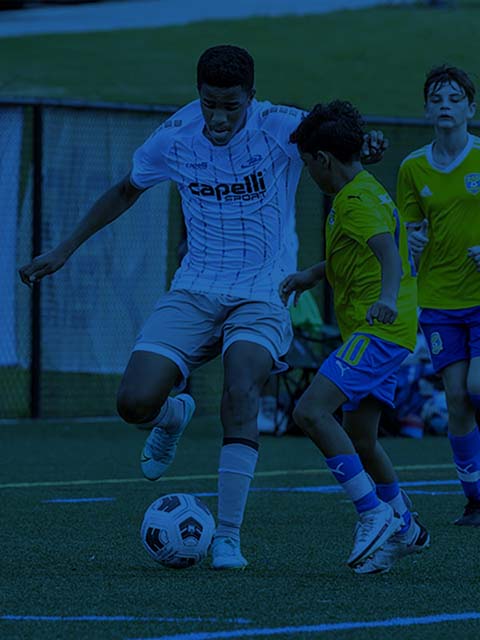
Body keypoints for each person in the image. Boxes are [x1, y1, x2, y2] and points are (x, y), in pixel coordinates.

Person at [18, 45, 385, 570]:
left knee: (241, 389)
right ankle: (173, 416)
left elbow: (337, 140)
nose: (218, 117)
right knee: (134, 402)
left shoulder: (282, 127)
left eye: (231, 106)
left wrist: (367, 143)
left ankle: (228, 538)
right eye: (210, 103)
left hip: (263, 288)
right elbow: (125, 190)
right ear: (199, 95)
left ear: (251, 97)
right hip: (195, 287)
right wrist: (63, 250)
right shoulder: (176, 135)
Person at [280, 100, 430, 574]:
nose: (308, 173)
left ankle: (372, 513)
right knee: (361, 438)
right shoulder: (364, 190)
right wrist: (312, 275)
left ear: (323, 159)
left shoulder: (355, 201)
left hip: (378, 331)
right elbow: (355, 252)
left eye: (307, 164)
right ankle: (406, 524)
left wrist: (386, 298)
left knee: (309, 411)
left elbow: (388, 254)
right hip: (387, 330)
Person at [397, 65, 480, 526]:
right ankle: (475, 498)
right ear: (427, 109)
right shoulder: (412, 167)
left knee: (476, 387)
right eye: (437, 98)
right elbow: (409, 228)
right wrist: (410, 240)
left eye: (454, 98)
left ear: (471, 108)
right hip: (438, 301)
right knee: (456, 399)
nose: (445, 105)